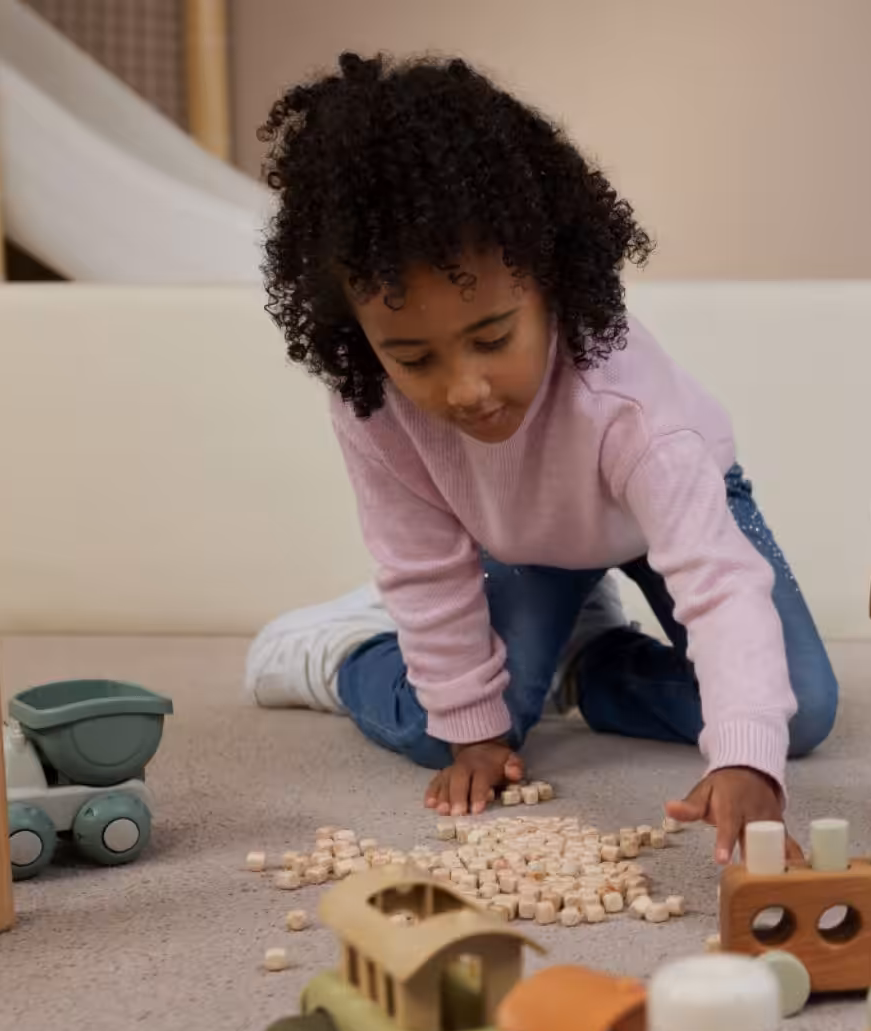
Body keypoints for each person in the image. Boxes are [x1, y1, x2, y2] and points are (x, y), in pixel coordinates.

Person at [243, 52, 836, 863]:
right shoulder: (373, 406)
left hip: (670, 514)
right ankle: (337, 652)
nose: (467, 389)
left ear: (553, 283)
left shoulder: (632, 409)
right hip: (520, 542)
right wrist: (473, 728)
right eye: (415, 357)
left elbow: (719, 582)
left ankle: (587, 660)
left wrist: (741, 758)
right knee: (445, 730)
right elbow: (423, 564)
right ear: (358, 333)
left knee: (795, 716)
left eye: (492, 338)